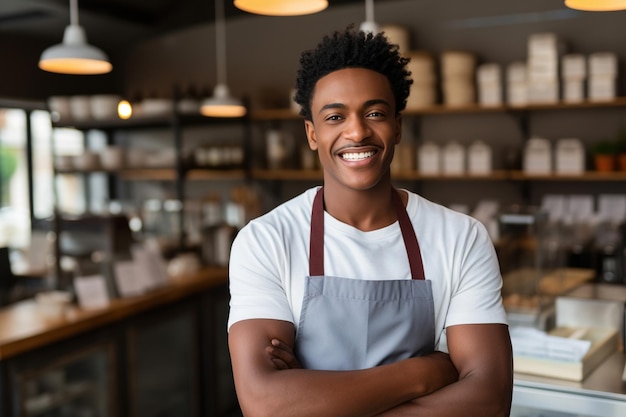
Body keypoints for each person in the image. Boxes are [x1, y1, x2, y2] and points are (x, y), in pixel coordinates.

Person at [227, 26, 513, 417]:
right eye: (335, 116)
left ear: (397, 126)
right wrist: (425, 372)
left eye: (375, 113)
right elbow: (265, 405)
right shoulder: (266, 241)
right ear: (312, 133)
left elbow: (489, 400)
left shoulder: (460, 238)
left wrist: (315, 402)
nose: (357, 131)